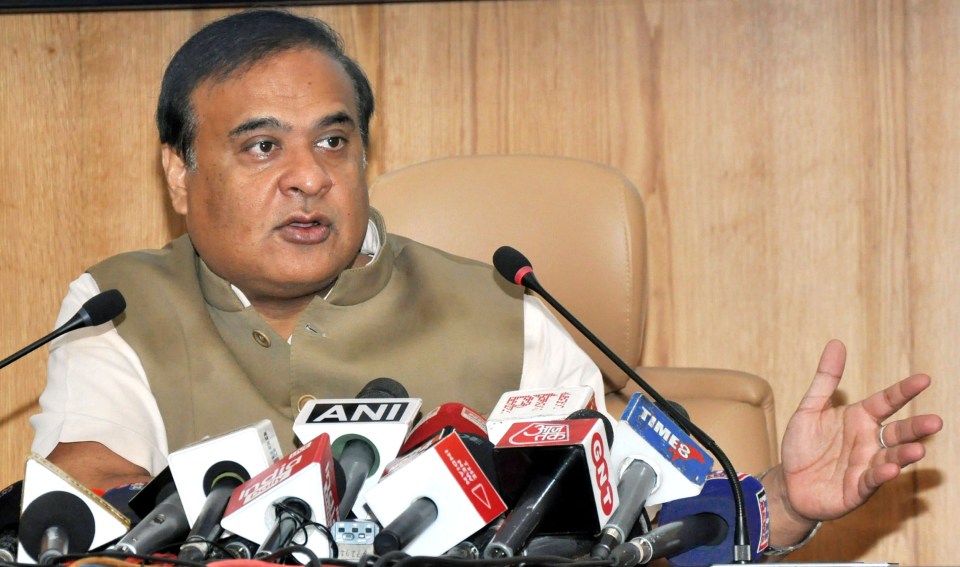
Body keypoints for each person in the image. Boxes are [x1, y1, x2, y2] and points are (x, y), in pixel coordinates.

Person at [29, 8, 942, 558]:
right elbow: (92, 497)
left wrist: (781, 500)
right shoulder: (120, 308)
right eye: (263, 146)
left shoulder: (505, 312)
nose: (309, 176)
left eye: (335, 141)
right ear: (180, 173)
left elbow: (624, 524)